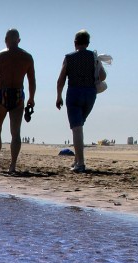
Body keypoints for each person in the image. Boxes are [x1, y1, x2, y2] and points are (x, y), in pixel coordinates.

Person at [0, 28, 36, 173]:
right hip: (18, 94)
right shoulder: (27, 57)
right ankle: (12, 165)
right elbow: (32, 81)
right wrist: (31, 98)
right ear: (18, 40)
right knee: (16, 132)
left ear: (6, 40)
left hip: (3, 94)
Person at [56, 29, 105, 172]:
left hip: (74, 92)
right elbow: (102, 76)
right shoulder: (94, 57)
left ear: (75, 43)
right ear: (88, 43)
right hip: (90, 94)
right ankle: (77, 160)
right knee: (79, 126)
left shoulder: (69, 58)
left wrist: (58, 96)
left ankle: (80, 164)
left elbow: (61, 80)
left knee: (77, 128)